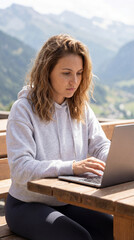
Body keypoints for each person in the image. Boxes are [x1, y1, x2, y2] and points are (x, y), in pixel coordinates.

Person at [5, 34, 113, 240]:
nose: (74, 81)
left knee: (116, 228)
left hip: (67, 201)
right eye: (66, 73)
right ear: (47, 71)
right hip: (27, 204)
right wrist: (71, 167)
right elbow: (20, 168)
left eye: (80, 73)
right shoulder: (23, 109)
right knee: (78, 237)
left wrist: (116, 162)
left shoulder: (80, 107)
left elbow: (100, 146)